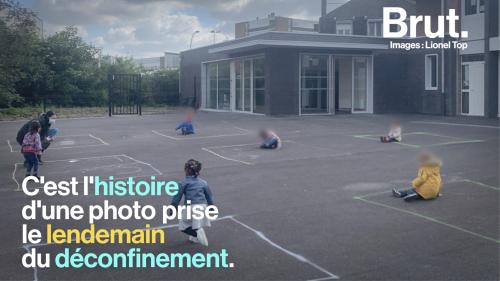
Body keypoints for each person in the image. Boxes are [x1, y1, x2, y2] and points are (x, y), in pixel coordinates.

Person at [170, 159, 214, 246]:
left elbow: (177, 197)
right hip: (202, 206)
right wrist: (211, 206)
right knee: (195, 222)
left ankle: (197, 234)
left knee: (183, 225)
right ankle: (195, 237)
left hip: (191, 207)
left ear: (187, 170)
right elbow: (209, 195)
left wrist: (173, 207)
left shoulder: (183, 183)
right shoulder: (203, 182)